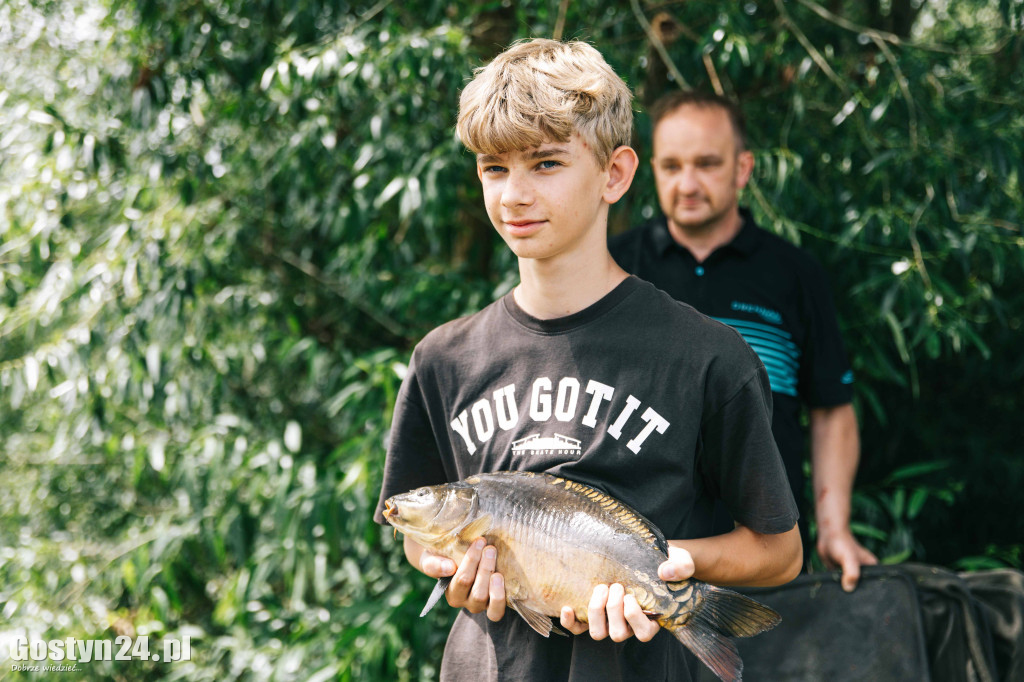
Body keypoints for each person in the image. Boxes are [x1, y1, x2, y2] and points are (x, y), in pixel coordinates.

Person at [373, 40, 801, 682]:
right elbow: (416, 532)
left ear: (616, 174)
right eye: (494, 168)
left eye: (546, 163)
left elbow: (778, 553)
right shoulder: (443, 358)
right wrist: (456, 569)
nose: (514, 194)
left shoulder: (707, 356)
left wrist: (634, 565)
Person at [609, 91, 877, 592]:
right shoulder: (613, 267)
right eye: (671, 166)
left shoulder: (795, 274)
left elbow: (832, 410)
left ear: (743, 168)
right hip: (638, 572)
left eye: (707, 164)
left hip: (764, 557)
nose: (687, 184)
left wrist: (833, 526)